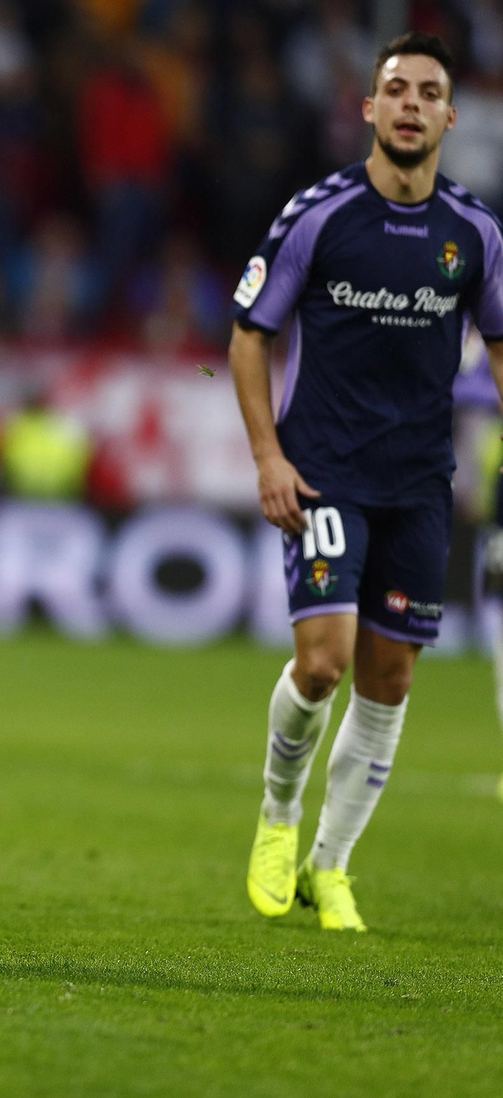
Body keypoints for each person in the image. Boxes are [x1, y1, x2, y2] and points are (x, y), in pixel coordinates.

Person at [232, 33, 503, 932]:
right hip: (325, 472)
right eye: (397, 90)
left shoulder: (475, 234)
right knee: (325, 662)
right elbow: (249, 334)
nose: (413, 104)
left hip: (420, 484)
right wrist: (270, 458)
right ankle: (277, 818)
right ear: (370, 108)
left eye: (430, 91)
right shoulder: (319, 214)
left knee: (389, 682)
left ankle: (331, 865)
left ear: (451, 115)